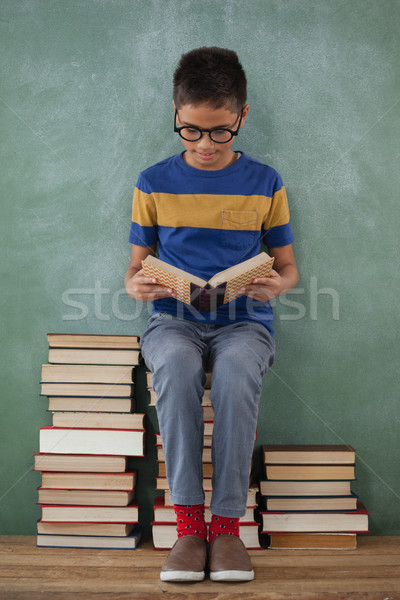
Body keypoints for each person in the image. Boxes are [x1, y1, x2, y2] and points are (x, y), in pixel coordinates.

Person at [124, 46, 299, 583]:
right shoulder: (152, 182)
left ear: (242, 116)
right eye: (191, 131)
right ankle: (189, 527)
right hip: (172, 320)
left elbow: (289, 268)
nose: (204, 145)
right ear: (177, 116)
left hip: (245, 321)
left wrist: (277, 284)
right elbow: (134, 270)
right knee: (174, 369)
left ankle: (226, 528)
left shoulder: (267, 183)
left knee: (236, 374)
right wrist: (139, 287)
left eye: (220, 131)